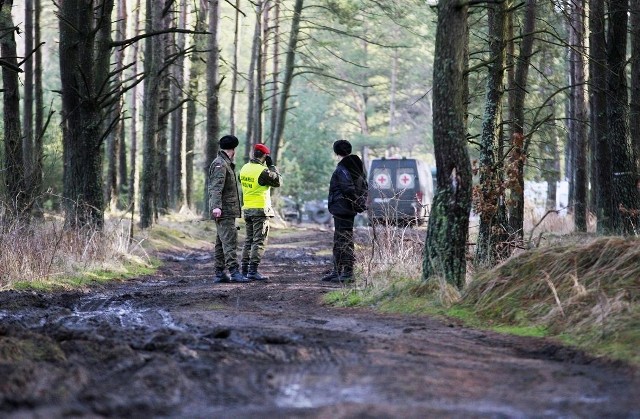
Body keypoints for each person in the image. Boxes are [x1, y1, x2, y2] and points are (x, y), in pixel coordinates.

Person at [322, 139, 367, 283]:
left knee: (344, 240)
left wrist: (355, 202)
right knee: (341, 239)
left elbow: (348, 188)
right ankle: (337, 271)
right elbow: (365, 187)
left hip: (342, 208)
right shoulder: (357, 167)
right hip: (347, 209)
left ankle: (347, 273)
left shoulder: (342, 168)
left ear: (336, 152)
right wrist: (359, 203)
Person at [208, 135, 250, 283]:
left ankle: (219, 273)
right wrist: (217, 207)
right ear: (233, 149)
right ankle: (234, 272)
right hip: (224, 210)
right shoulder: (221, 164)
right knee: (230, 241)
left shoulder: (225, 163)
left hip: (227, 210)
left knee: (221, 242)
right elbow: (215, 188)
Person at [239, 143, 281, 280]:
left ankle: (244, 270)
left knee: (248, 240)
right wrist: (272, 166)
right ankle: (253, 271)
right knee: (259, 241)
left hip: (247, 209)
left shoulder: (244, 168)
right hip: (260, 210)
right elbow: (278, 181)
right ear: (265, 156)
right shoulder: (263, 171)